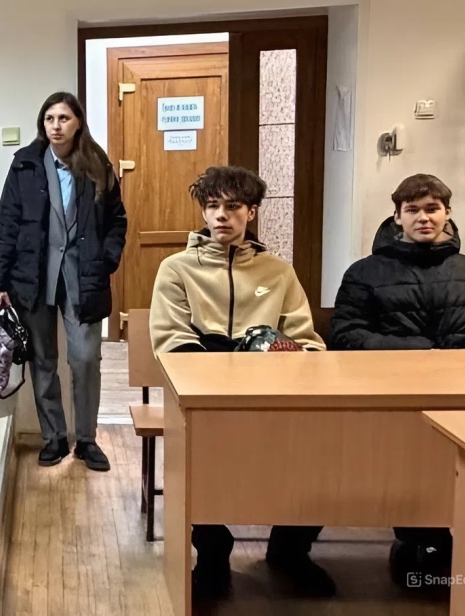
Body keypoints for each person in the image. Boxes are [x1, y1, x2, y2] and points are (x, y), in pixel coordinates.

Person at [149, 166, 335, 599]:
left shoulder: (278, 272)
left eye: (232, 206)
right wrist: (228, 366)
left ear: (251, 213)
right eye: (212, 206)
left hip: (273, 396)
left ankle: (290, 551)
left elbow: (306, 342)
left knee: (317, 451)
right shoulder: (176, 269)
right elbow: (172, 341)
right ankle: (213, 553)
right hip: (204, 399)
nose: (221, 215)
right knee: (196, 456)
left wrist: (277, 359)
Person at [330, 173, 465, 587]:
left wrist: (462, 369)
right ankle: (417, 548)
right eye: (412, 210)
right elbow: (346, 335)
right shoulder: (364, 273)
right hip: (391, 396)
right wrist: (418, 355)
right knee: (407, 476)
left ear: (447, 213)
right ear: (397, 217)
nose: (423, 218)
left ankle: (454, 556)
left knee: (459, 479)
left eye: (432, 209)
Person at [0, 91, 127, 472]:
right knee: (43, 359)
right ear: (42, 124)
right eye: (50, 119)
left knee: (84, 359)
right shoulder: (25, 164)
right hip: (33, 276)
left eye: (64, 118)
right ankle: (54, 437)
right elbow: (6, 223)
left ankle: (87, 440)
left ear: (78, 123)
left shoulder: (97, 164)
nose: (56, 126)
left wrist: (106, 260)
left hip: (84, 276)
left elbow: (117, 220)